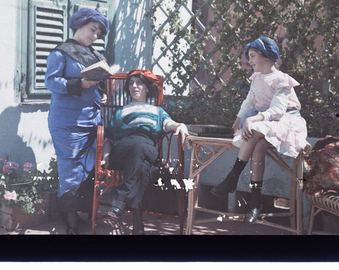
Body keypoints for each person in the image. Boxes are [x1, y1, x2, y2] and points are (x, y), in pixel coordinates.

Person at [210, 36, 309, 223]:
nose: (250, 60)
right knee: (259, 146)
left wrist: (252, 120)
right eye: (249, 56)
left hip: (286, 120)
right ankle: (255, 201)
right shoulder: (256, 78)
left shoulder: (282, 80)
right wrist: (238, 120)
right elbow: (250, 101)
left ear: (267, 57)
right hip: (265, 121)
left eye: (253, 56)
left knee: (255, 130)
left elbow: (278, 111)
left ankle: (233, 177)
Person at [45, 8, 109, 234]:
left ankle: (76, 213)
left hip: (93, 120)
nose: (94, 36)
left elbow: (98, 83)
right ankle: (70, 223)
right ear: (79, 25)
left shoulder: (96, 55)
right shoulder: (60, 52)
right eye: (92, 29)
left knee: (88, 166)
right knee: (70, 168)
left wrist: (102, 93)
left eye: (99, 33)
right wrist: (79, 84)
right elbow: (51, 82)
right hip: (67, 122)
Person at [101, 69, 188, 235]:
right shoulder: (121, 111)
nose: (134, 86)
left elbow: (169, 124)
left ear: (147, 88)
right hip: (124, 150)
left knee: (141, 155)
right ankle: (135, 223)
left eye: (139, 82)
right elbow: (109, 139)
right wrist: (105, 159)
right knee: (142, 162)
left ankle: (121, 204)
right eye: (131, 83)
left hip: (146, 147)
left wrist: (180, 126)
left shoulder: (157, 112)